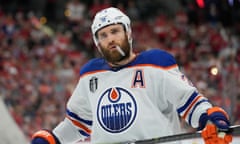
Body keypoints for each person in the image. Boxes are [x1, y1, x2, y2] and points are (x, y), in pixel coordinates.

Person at [31, 7, 233, 144]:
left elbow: (191, 103)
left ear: (128, 33)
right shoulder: (90, 75)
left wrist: (211, 119)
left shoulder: (156, 64)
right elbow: (77, 124)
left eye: (115, 31)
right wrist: (53, 139)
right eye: (103, 35)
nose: (110, 39)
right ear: (97, 43)